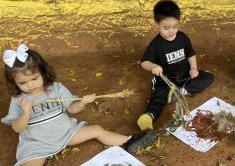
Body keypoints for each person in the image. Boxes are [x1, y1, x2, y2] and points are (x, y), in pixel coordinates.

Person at [1, 44, 155, 166]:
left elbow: (72, 109)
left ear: (42, 72)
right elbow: (17, 128)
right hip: (37, 144)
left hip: (67, 133)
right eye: (22, 83)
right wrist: (25, 114)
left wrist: (82, 102)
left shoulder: (56, 88)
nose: (30, 85)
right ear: (14, 83)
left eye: (34, 79)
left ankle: (129, 141)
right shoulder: (18, 100)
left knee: (96, 130)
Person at [137, 0, 214, 131]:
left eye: (175, 27)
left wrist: (194, 68)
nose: (171, 31)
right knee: (158, 95)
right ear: (157, 24)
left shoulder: (182, 38)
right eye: (166, 28)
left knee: (208, 78)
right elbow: (144, 62)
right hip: (165, 80)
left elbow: (191, 54)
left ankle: (180, 92)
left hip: (184, 76)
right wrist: (153, 67)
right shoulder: (156, 44)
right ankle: (149, 116)